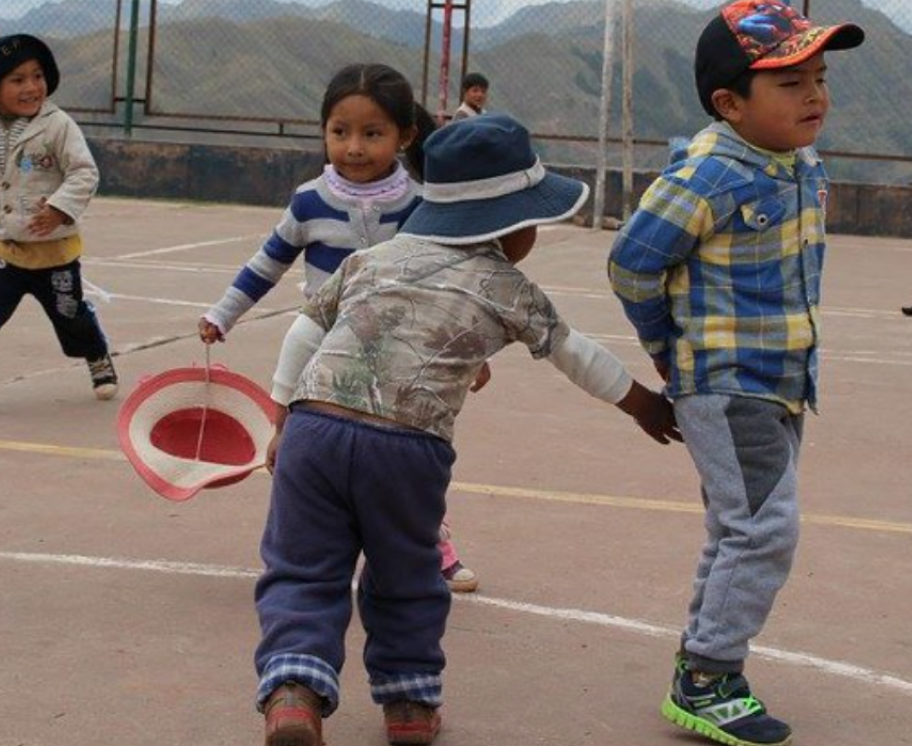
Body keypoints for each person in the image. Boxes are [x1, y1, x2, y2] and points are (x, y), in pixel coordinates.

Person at [254, 112, 681, 746]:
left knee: (302, 566)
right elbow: (578, 355)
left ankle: (294, 691)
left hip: (315, 426)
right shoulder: (509, 287)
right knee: (406, 573)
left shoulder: (374, 259)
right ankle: (408, 704)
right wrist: (645, 404)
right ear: (510, 227)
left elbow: (303, 332)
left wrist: (283, 415)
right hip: (408, 447)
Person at [608, 0, 865, 746]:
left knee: (741, 525)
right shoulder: (712, 173)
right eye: (790, 83)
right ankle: (709, 676)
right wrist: (670, 353)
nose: (815, 94)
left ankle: (703, 664)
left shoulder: (801, 162)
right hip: (729, 382)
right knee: (766, 529)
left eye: (818, 77)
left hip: (784, 381)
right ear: (730, 102)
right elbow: (631, 265)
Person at [198, 62, 480, 593]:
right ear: (324, 131)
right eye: (340, 132)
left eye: (372, 134)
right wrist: (222, 313)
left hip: (401, 353)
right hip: (324, 350)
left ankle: (431, 544)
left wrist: (472, 354)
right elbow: (267, 263)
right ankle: (297, 548)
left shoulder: (421, 204)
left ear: (405, 136)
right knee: (299, 451)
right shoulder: (309, 200)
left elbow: (449, 282)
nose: (354, 147)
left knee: (413, 455)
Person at [0, 33, 118, 411]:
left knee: (71, 316)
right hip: (1, 250)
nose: (31, 87)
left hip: (53, 254)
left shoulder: (58, 126)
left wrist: (60, 208)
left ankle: (97, 357)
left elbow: (84, 173)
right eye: (17, 79)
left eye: (37, 76)